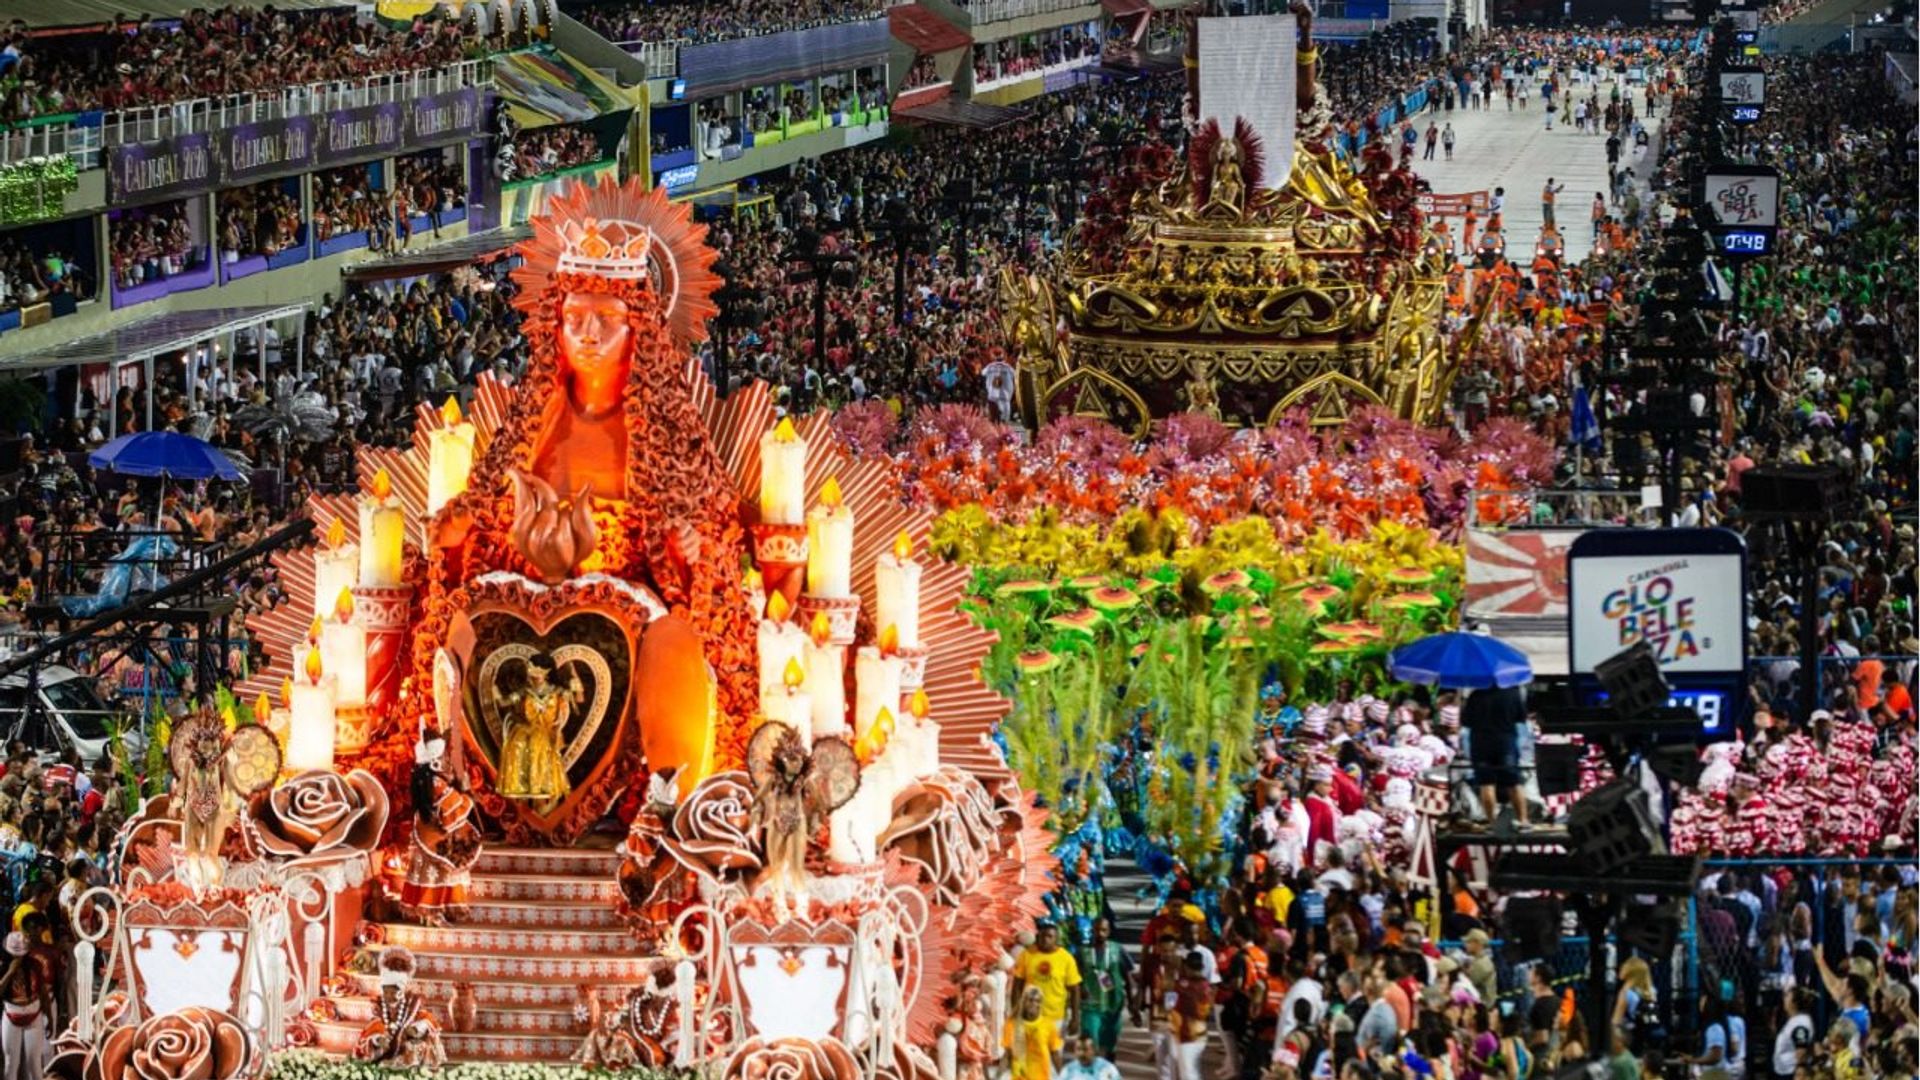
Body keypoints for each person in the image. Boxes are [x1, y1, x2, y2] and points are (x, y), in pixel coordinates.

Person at [1463, 684, 1529, 833]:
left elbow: (1466, 721)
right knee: (1514, 782)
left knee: (1486, 783)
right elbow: (1521, 717)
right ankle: (1523, 820)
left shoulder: (1476, 694)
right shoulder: (1513, 693)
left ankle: (1493, 823)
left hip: (1480, 744)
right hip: (1506, 742)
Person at [1013, 921, 1083, 1043]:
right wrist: (1016, 1012)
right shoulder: (1027, 955)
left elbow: (1075, 989)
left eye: (1049, 936)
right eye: (1042, 936)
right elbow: (1017, 985)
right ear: (1037, 937)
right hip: (1031, 1016)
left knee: (1053, 1057)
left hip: (1056, 1018)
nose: (1045, 940)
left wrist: (1075, 1018)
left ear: (1056, 939)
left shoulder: (1066, 958)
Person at [1075, 916, 1130, 1060]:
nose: (1100, 933)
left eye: (1104, 930)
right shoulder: (1082, 951)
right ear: (1092, 930)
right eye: (1097, 930)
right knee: (1090, 1040)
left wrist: (1133, 1003)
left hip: (1113, 1004)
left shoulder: (1117, 950)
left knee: (1110, 1043)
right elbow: (1074, 976)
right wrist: (1080, 989)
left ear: (1109, 931)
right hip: (1090, 1004)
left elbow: (1127, 975)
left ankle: (1109, 1070)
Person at [1008, 987, 1062, 1080]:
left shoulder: (1048, 1025)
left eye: (1038, 1001)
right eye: (1030, 1000)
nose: (1034, 1004)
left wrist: (1063, 1076)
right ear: (1024, 1002)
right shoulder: (1012, 1024)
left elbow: (1054, 1053)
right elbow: (1008, 1054)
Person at [1771, 987, 1816, 1079]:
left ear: (1794, 1002)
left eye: (1787, 996)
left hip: (1792, 1073)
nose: (1784, 999)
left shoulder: (1800, 1023)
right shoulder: (1794, 1020)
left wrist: (1800, 1069)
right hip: (1784, 1071)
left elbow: (1801, 1050)